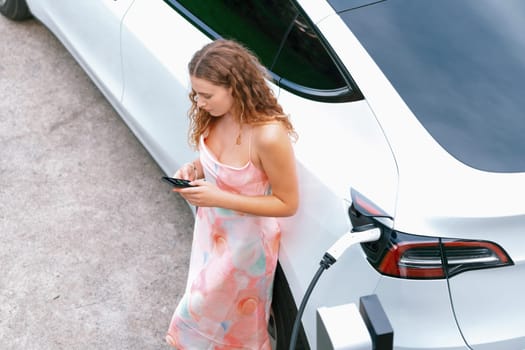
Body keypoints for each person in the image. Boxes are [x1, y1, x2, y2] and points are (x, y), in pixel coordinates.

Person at [165, 39, 299, 349]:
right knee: (216, 321)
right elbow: (216, 163)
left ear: (235, 88)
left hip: (244, 250)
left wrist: (217, 198)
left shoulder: (268, 135)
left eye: (206, 95)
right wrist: (193, 170)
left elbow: (287, 203)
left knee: (203, 316)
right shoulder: (217, 114)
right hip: (211, 235)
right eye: (196, 94)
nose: (199, 103)